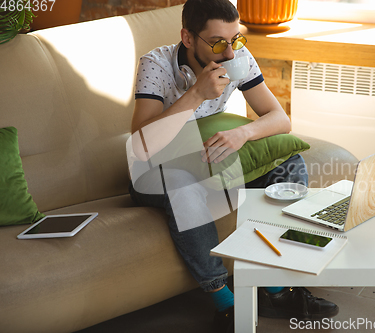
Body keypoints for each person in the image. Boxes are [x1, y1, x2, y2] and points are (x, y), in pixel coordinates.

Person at [128, 0, 339, 331]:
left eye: (235, 39)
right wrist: (196, 94)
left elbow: (279, 118)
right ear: (187, 38)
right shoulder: (155, 65)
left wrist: (244, 132)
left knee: (289, 167)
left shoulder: (237, 57)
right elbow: (142, 147)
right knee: (183, 185)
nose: (228, 52)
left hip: (213, 162)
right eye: (216, 43)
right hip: (158, 171)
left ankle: (274, 287)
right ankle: (225, 302)